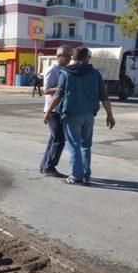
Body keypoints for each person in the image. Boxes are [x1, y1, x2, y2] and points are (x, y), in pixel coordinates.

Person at [44, 46, 115, 186]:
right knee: (85, 146)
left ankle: (76, 176)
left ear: (74, 58)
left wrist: (47, 112)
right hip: (89, 114)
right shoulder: (95, 74)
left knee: (74, 145)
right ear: (86, 58)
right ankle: (85, 175)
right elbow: (104, 96)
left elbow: (58, 95)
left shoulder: (66, 73)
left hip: (71, 114)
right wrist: (110, 115)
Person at [40, 45, 72, 177]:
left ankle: (45, 166)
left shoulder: (65, 69)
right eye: (68, 56)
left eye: (71, 56)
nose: (70, 59)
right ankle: (50, 167)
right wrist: (61, 87)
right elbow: (46, 90)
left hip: (61, 109)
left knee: (53, 139)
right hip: (52, 110)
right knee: (59, 139)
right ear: (60, 56)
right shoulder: (52, 69)